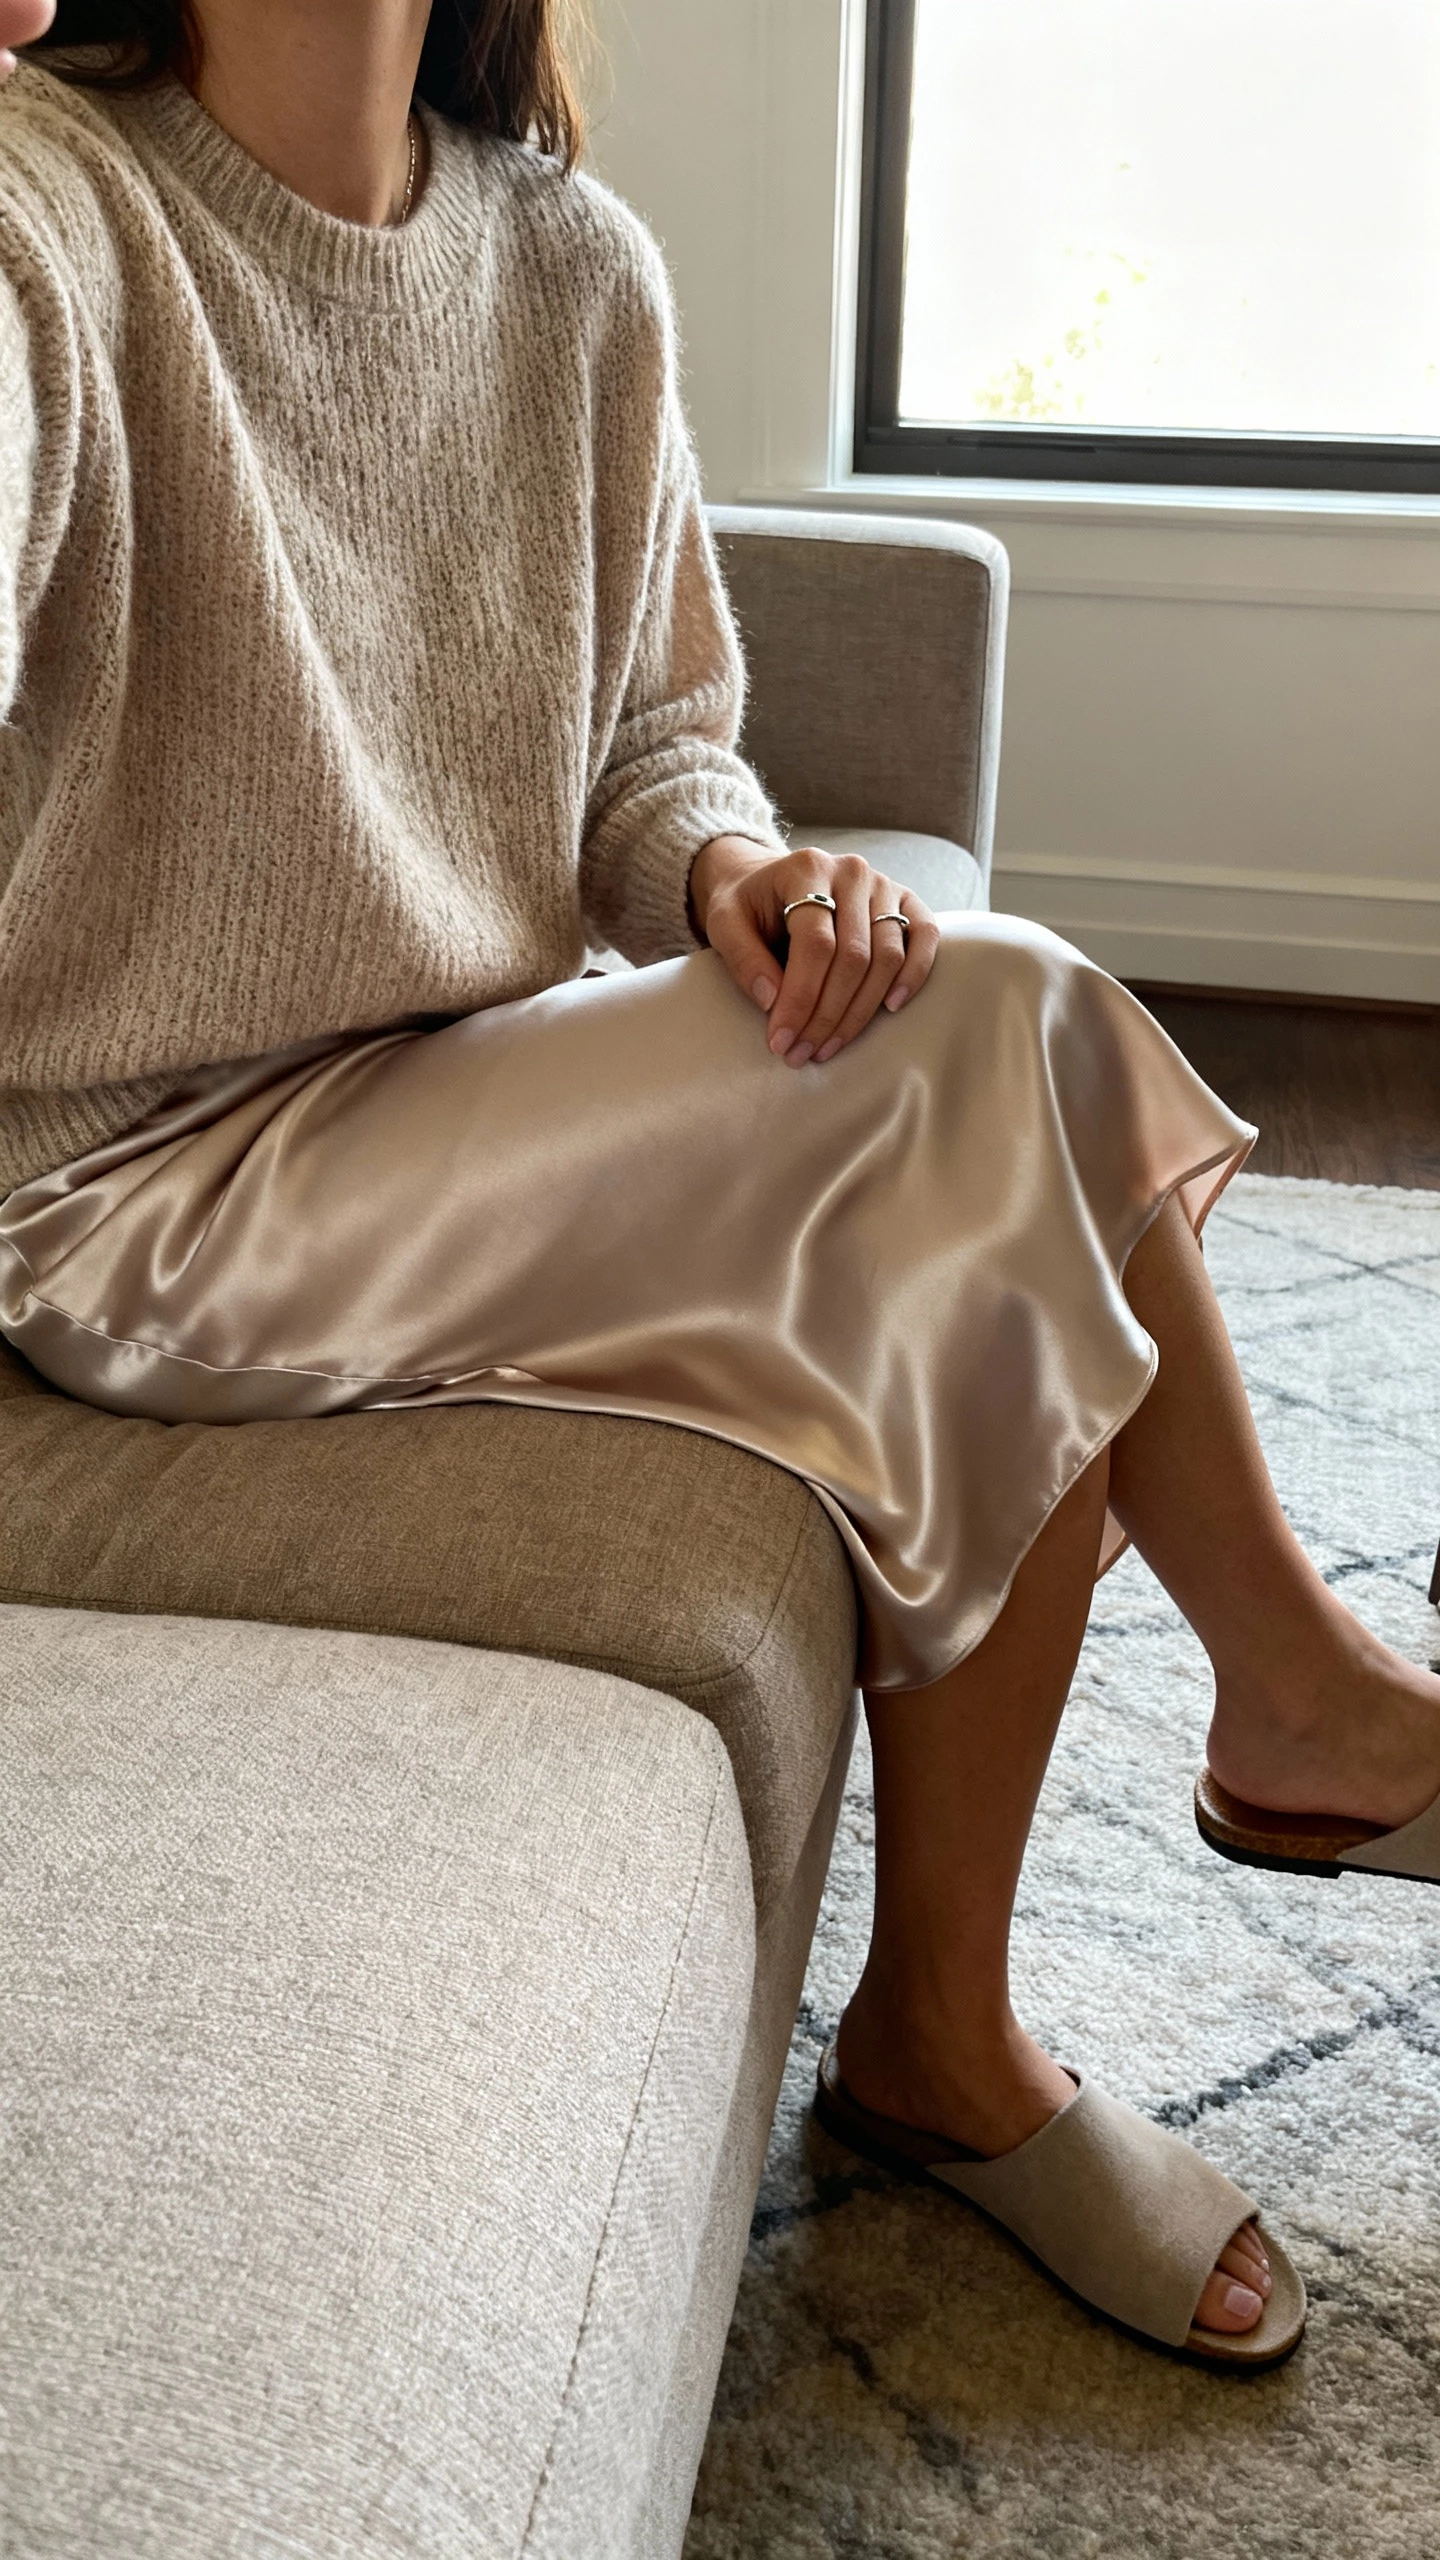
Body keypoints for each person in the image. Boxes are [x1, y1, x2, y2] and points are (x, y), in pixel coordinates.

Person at [2, 0, 1437, 2374]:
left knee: (978, 1046)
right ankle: (1260, 1748)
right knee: (1008, 1053)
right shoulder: (52, 215)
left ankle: (984, 1995)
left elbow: (657, 739)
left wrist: (744, 873)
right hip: (139, 1179)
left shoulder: (571, 265)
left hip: (451, 1077)